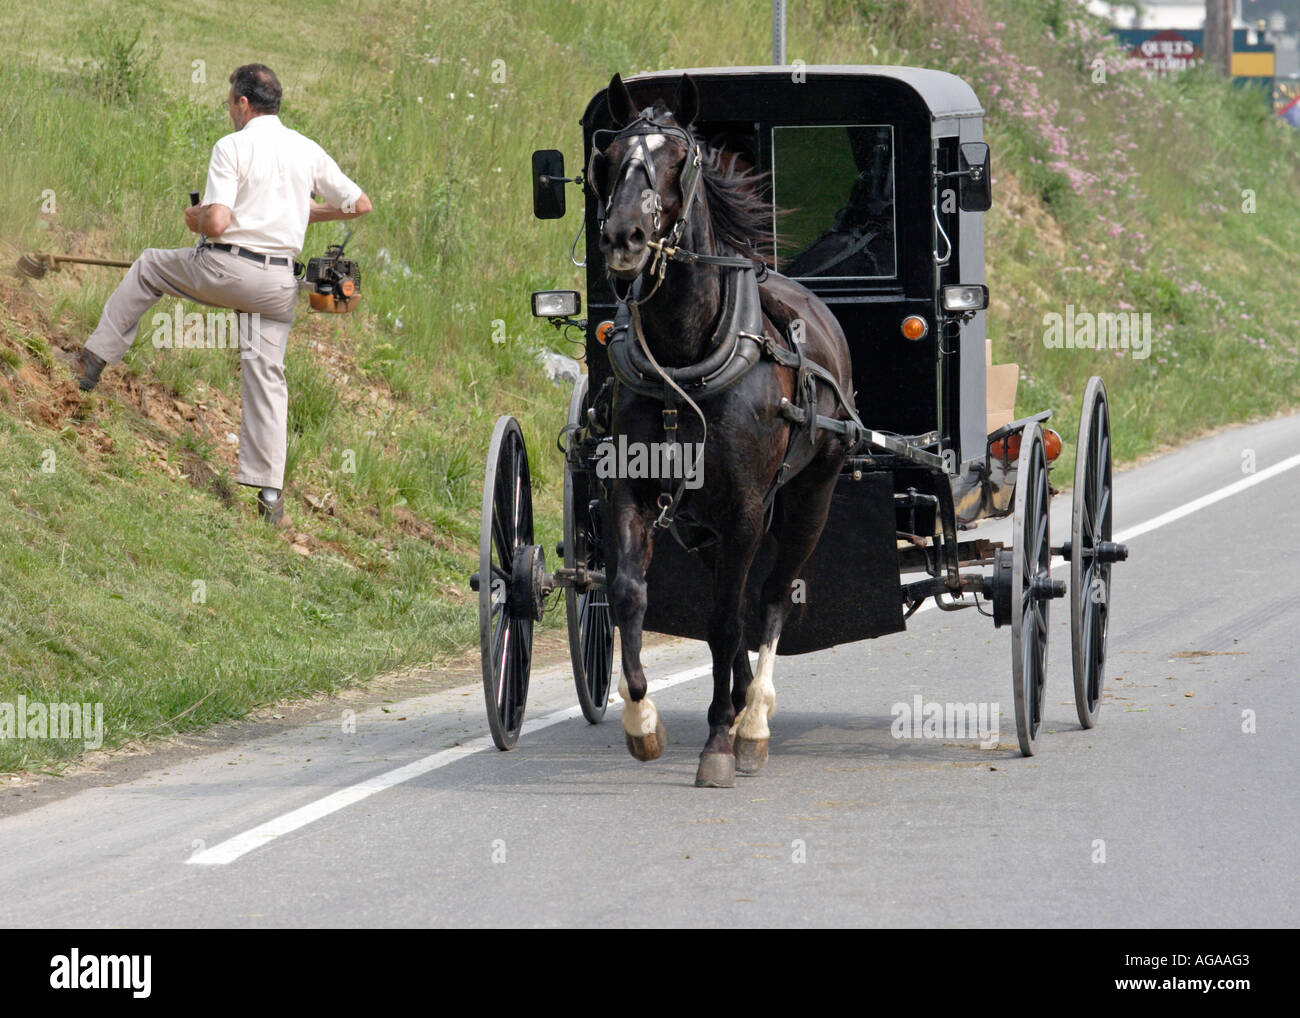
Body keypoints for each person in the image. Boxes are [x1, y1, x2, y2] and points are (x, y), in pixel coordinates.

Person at [58, 64, 372, 524]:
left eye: (231, 103)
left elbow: (220, 223)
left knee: (147, 267)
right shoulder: (307, 150)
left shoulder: (233, 145)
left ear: (244, 104)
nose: (230, 110)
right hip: (278, 285)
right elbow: (358, 204)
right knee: (267, 376)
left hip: (226, 269)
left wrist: (196, 219)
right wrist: (299, 214)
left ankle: (90, 363)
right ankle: (270, 499)